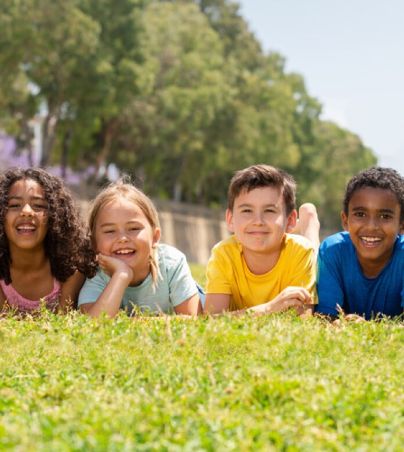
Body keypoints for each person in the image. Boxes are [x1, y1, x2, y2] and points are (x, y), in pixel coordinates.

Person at [204, 164, 319, 315]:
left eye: (269, 210)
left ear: (290, 220)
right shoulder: (223, 253)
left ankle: (309, 221)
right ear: (230, 219)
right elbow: (211, 319)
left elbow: (303, 317)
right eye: (247, 210)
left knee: (317, 255)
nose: (257, 221)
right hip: (278, 233)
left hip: (304, 249)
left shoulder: (301, 251)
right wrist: (268, 308)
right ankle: (301, 222)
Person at [78, 181, 203, 317]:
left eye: (134, 228)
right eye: (110, 231)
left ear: (155, 237)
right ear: (94, 242)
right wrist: (121, 275)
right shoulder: (97, 274)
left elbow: (194, 319)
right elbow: (94, 323)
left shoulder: (171, 264)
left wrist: (140, 322)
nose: (122, 238)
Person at [0, 167, 95, 315]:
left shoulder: (71, 269)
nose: (26, 211)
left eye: (38, 205)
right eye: (14, 205)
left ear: (55, 215)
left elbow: (60, 324)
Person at [316, 167, 404, 320]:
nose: (371, 226)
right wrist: (336, 323)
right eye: (360, 214)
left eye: (385, 216)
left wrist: (369, 328)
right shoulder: (332, 251)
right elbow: (325, 318)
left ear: (402, 224)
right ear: (345, 220)